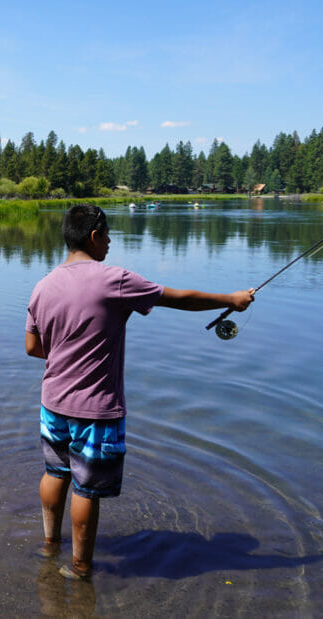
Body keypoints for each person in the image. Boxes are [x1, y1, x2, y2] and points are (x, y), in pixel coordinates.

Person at [24, 204, 254, 580]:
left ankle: (49, 545)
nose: (112, 242)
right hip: (96, 409)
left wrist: (68, 350)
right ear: (94, 236)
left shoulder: (42, 285)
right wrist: (230, 300)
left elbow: (33, 347)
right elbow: (177, 298)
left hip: (53, 404)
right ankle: (80, 568)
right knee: (87, 489)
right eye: (109, 235)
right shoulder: (113, 279)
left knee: (55, 471)